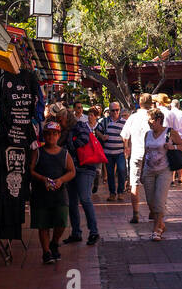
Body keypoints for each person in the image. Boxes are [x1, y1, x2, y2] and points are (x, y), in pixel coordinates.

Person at [30, 120, 75, 264]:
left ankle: (54, 242)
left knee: (61, 221)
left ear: (58, 135)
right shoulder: (38, 152)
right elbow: (30, 170)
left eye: (54, 134)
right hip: (41, 195)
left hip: (59, 194)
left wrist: (61, 180)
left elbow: (72, 171)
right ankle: (46, 252)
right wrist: (43, 179)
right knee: (43, 224)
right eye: (48, 134)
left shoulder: (64, 153)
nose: (51, 137)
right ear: (44, 135)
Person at [138, 107, 181, 240]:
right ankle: (161, 224)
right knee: (151, 203)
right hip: (148, 171)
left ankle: (156, 229)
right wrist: (141, 172)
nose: (149, 122)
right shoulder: (148, 134)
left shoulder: (170, 132)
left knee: (159, 201)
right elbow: (146, 152)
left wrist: (172, 146)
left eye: (151, 120)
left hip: (164, 171)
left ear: (158, 120)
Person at [62, 103, 101, 246]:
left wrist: (68, 147)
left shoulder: (79, 126)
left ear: (66, 118)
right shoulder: (63, 130)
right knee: (72, 202)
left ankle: (94, 232)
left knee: (85, 198)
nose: (60, 121)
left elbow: (84, 139)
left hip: (85, 167)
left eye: (61, 118)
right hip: (72, 169)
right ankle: (76, 232)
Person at [122, 93, 156, 224]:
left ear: (139, 103)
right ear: (150, 103)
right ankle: (152, 211)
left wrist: (126, 147)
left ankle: (135, 213)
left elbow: (125, 136)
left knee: (134, 183)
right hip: (150, 154)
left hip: (136, 153)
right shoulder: (153, 117)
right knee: (150, 183)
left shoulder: (132, 118)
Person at [99, 102, 127, 201]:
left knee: (122, 170)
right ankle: (112, 193)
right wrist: (102, 136)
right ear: (109, 111)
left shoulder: (124, 122)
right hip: (108, 152)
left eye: (117, 110)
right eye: (113, 110)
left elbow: (128, 135)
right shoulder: (105, 121)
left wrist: (127, 147)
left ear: (119, 110)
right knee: (110, 174)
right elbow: (97, 130)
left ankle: (120, 192)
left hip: (120, 152)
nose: (115, 112)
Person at [163, 96, 182, 185]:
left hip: (170, 137)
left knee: (171, 156)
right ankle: (180, 177)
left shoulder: (168, 113)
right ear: (179, 106)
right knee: (181, 157)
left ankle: (172, 178)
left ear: (172, 105)